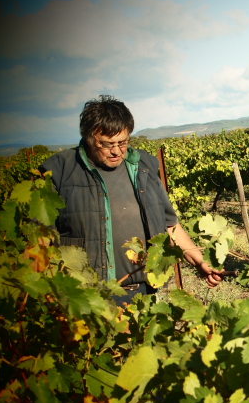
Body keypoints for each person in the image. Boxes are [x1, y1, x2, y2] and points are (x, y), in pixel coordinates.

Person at [40, 95, 224, 306]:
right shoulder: (59, 171)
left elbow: (169, 225)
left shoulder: (144, 166)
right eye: (107, 144)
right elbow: (40, 243)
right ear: (89, 138)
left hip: (142, 294)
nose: (117, 151)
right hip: (85, 298)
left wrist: (200, 262)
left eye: (123, 142)